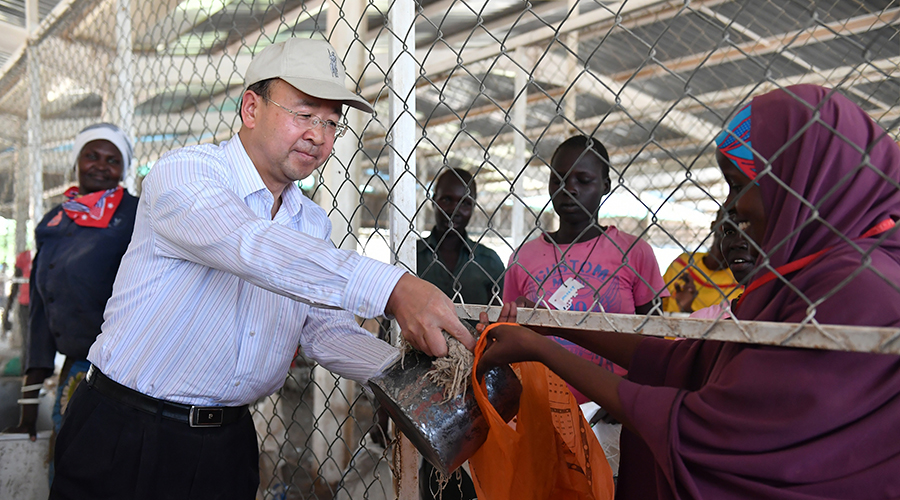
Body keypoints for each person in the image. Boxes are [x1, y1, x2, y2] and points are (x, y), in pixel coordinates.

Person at [51, 38, 472, 499]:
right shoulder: (185, 175)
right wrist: (393, 288)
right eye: (305, 114)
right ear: (251, 108)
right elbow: (250, 246)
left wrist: (411, 377)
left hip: (226, 444)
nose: (319, 135)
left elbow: (323, 330)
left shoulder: (310, 222)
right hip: (125, 429)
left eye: (332, 122)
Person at [476, 84, 900, 499]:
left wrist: (542, 348)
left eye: (739, 184)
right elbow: (687, 361)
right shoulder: (807, 276)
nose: (731, 209)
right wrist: (553, 330)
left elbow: (701, 427)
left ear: (800, 180)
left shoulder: (858, 289)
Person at [503, 134, 667, 403]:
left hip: (613, 403)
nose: (569, 188)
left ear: (605, 185)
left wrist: (628, 392)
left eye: (583, 180)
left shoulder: (634, 252)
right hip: (541, 401)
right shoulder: (523, 257)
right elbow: (511, 328)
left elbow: (656, 338)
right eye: (559, 178)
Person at [417, 168, 504, 500]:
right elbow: (390, 324)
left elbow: (500, 327)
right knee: (430, 472)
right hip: (424, 384)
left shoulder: (488, 262)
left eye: (465, 202)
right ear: (434, 201)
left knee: (476, 470)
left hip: (474, 384)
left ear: (474, 206)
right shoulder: (413, 256)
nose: (455, 209)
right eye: (447, 200)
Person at [661, 210, 740, 314]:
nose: (731, 229)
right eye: (726, 220)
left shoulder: (740, 279)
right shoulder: (683, 263)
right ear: (713, 225)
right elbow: (658, 306)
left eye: (738, 224)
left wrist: (687, 310)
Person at [3, 249, 32, 353]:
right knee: (27, 341)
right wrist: (8, 310)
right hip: (25, 304)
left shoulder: (49, 254)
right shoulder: (24, 257)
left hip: (43, 306)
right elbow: (15, 286)